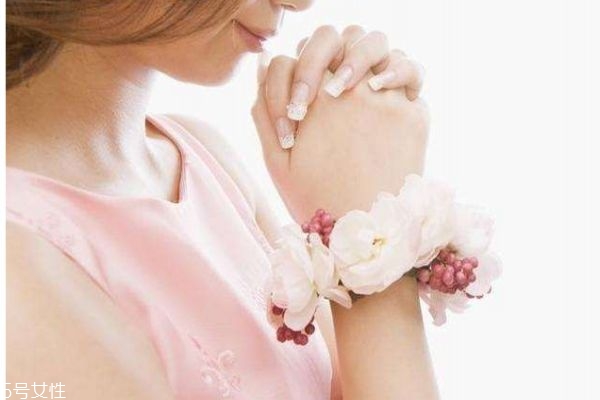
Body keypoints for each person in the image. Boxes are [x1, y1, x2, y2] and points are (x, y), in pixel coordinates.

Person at [6, 1, 437, 399]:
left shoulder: (205, 160)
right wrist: (370, 245)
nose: (299, 3)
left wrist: (357, 193)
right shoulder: (17, 269)